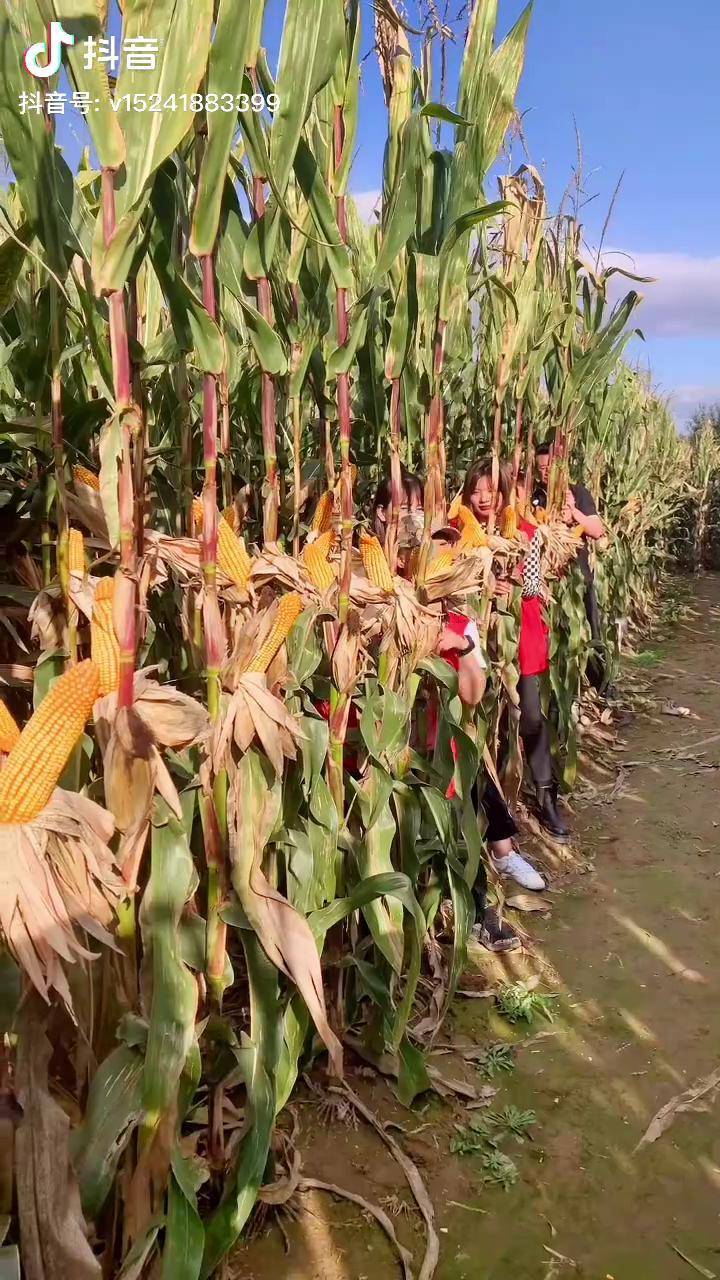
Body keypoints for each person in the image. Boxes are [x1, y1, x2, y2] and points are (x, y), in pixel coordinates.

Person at [372, 472, 543, 953]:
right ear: (382, 514)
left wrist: (461, 643)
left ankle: (474, 908)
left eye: (421, 512)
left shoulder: (452, 608)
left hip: (434, 745)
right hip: (373, 745)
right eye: (402, 508)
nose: (414, 522)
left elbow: (471, 693)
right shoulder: (361, 588)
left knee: (462, 796)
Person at [462, 457, 569, 842]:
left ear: (505, 492)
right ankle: (492, 819)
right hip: (474, 644)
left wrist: (511, 585)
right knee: (480, 724)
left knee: (531, 718)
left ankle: (546, 797)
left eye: (491, 491)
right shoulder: (458, 532)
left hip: (518, 636)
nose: (483, 498)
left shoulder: (527, 533)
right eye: (476, 491)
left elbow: (535, 586)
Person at [532, 443, 610, 693]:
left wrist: (573, 511)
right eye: (541, 468)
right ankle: (559, 693)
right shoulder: (535, 496)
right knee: (553, 638)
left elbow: (597, 530)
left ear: (561, 467)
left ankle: (603, 685)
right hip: (548, 580)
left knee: (589, 630)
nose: (545, 473)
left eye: (549, 467)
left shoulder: (579, 493)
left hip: (578, 577)